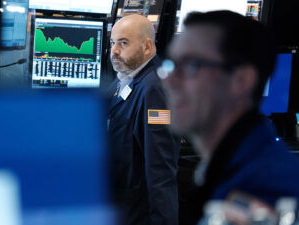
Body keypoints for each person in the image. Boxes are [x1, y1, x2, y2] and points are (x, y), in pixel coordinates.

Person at [161, 10, 299, 225]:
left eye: (191, 65)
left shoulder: (265, 189)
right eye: (170, 65)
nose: (169, 81)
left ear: (241, 80)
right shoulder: (229, 167)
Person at [107, 15, 180, 225]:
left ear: (147, 47)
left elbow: (161, 168)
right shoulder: (125, 78)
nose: (114, 51)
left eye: (123, 43)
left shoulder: (155, 90)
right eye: (113, 43)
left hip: (137, 214)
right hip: (119, 206)